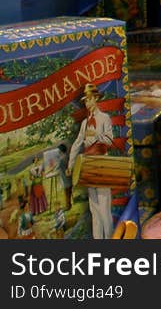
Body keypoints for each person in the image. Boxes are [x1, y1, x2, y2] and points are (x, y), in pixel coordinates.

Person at [67, 83, 114, 239]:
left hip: (101, 162)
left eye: (89, 100)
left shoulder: (104, 118)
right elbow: (77, 144)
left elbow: (109, 140)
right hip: (88, 165)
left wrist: (96, 136)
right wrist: (71, 164)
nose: (87, 104)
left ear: (96, 99)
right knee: (94, 209)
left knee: (104, 208)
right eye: (85, 101)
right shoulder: (84, 123)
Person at [42, 143, 71, 210]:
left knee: (66, 193)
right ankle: (68, 204)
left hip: (65, 178)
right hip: (69, 177)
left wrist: (48, 171)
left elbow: (56, 168)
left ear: (60, 151)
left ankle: (68, 205)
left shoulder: (61, 160)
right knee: (69, 192)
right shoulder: (67, 156)